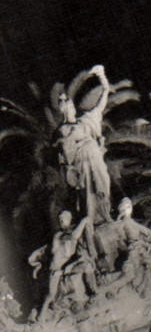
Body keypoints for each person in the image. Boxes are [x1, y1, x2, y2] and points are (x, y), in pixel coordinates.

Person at [55, 64, 112, 225]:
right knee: (88, 194)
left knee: (103, 184)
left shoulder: (86, 120)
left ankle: (106, 215)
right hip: (82, 163)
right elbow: (66, 153)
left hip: (94, 156)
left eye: (70, 105)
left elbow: (102, 100)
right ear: (63, 111)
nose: (69, 109)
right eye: (65, 107)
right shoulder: (63, 129)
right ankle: (92, 221)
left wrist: (102, 78)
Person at [32, 210, 97, 322]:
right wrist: (84, 221)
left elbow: (76, 242)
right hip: (56, 270)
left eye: (64, 218)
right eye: (60, 219)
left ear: (70, 219)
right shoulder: (58, 236)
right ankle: (41, 315)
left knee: (87, 266)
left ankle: (94, 293)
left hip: (67, 268)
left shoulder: (70, 234)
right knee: (51, 295)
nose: (62, 221)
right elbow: (73, 236)